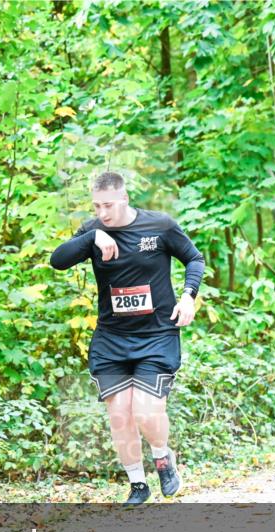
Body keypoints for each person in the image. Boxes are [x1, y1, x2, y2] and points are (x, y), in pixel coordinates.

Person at [50, 172, 205, 505]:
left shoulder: (159, 226)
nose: (103, 212)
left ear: (124, 199)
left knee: (146, 412)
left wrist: (189, 296)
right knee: (120, 414)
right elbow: (58, 260)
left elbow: (194, 258)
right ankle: (138, 484)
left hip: (157, 334)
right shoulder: (93, 229)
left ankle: (163, 459)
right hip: (112, 338)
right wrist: (92, 237)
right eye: (97, 206)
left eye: (108, 205)